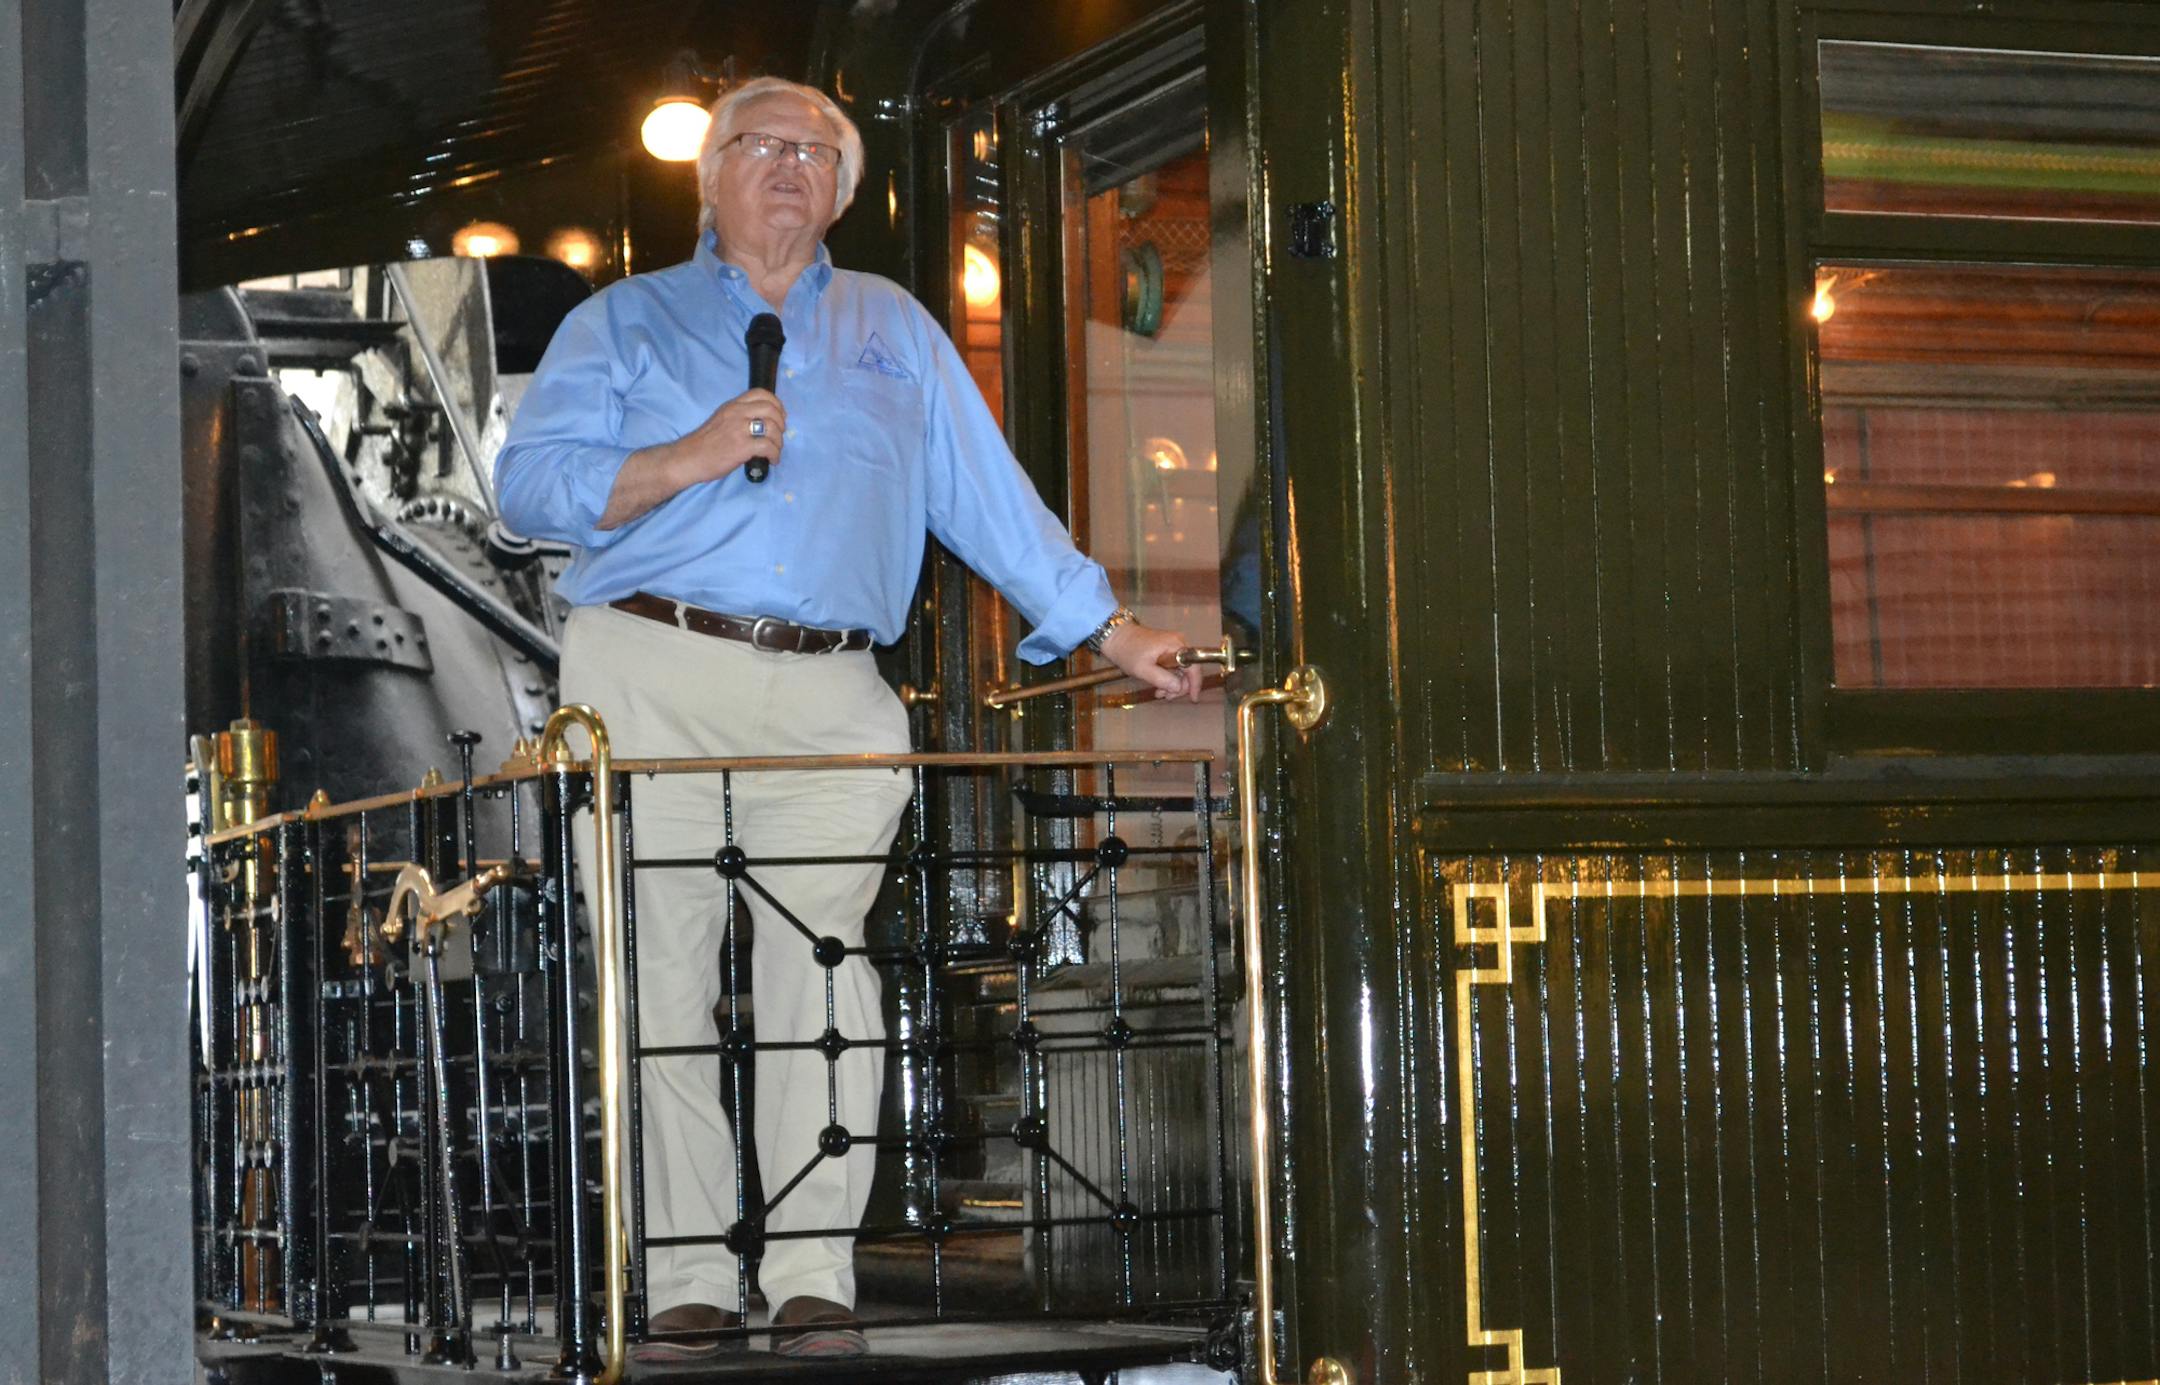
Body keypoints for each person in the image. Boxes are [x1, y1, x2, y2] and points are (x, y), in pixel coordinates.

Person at [494, 75, 1201, 1360]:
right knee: (658, 978)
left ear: (842, 191)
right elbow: (528, 488)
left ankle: (814, 1268)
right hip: (649, 666)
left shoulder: (895, 330)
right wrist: (688, 454)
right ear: (706, 178)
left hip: (830, 689)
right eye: (756, 147)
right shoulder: (624, 322)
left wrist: (1115, 630)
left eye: (813, 154)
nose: (784, 168)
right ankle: (690, 1273)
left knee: (823, 968)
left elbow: (990, 500)